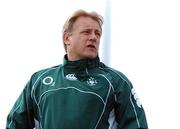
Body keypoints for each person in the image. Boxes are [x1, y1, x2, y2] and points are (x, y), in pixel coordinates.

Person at [6, 9, 148, 129]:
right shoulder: (39, 81)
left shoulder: (116, 81)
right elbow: (15, 123)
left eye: (97, 33)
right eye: (87, 32)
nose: (93, 37)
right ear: (67, 38)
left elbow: (137, 125)